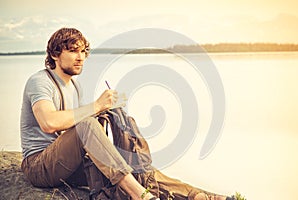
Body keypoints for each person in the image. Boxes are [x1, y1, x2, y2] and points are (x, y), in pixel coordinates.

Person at [20, 27, 237, 200]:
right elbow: (48, 123)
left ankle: (197, 195)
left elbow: (71, 126)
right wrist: (96, 106)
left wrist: (107, 112)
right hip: (40, 165)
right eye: (73, 51)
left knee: (130, 163)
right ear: (55, 54)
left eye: (83, 51)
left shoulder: (75, 87)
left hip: (67, 163)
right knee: (87, 125)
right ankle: (139, 195)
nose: (81, 57)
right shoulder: (40, 82)